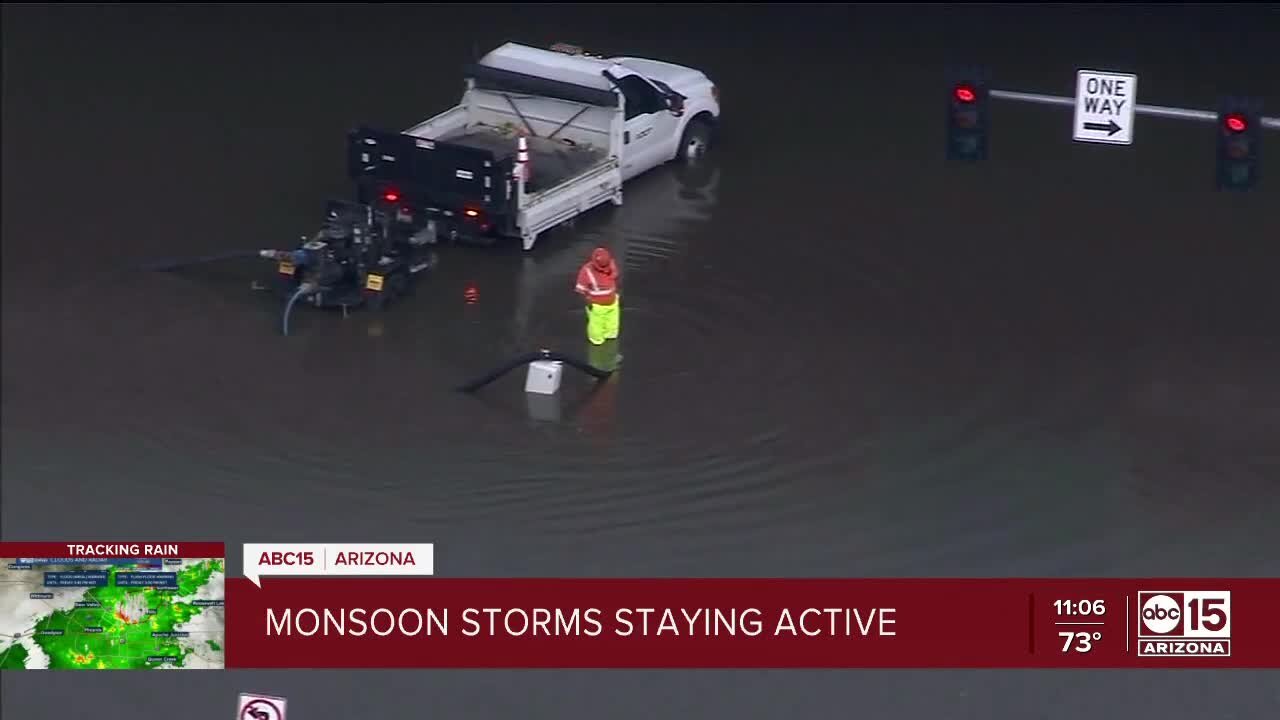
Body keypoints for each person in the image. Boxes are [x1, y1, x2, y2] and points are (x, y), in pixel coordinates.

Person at [575, 246, 621, 345]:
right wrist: (589, 302)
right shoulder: (586, 271)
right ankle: (597, 340)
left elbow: (615, 275)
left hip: (612, 303)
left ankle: (608, 336)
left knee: (612, 325)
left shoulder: (611, 265)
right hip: (597, 305)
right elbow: (581, 288)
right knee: (596, 328)